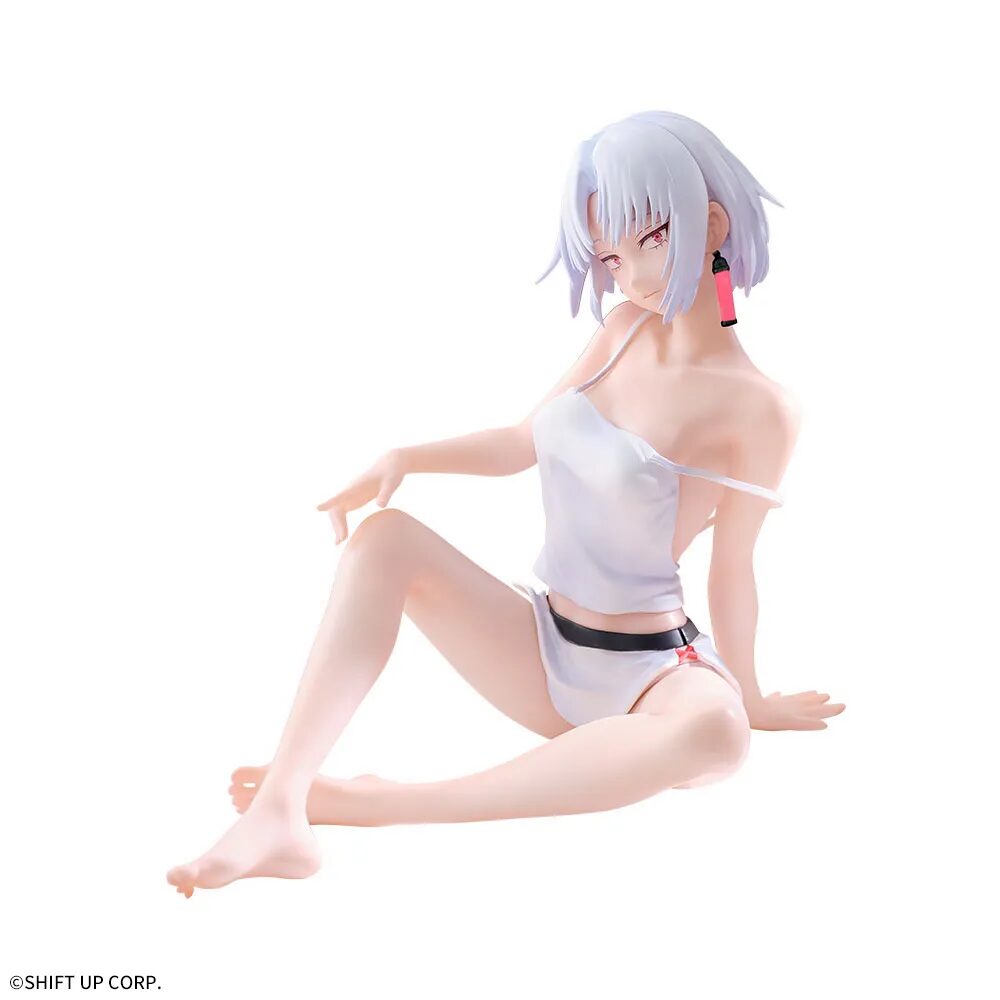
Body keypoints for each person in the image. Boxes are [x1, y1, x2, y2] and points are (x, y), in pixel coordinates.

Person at [167, 110, 844, 898]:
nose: (627, 276)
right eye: (610, 256)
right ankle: (283, 808)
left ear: (712, 225)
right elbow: (523, 441)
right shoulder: (622, 332)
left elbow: (734, 566)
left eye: (647, 240)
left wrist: (752, 697)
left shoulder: (761, 409)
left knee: (720, 734)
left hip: (652, 674)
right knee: (383, 540)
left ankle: (383, 805)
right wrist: (407, 458)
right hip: (544, 644)